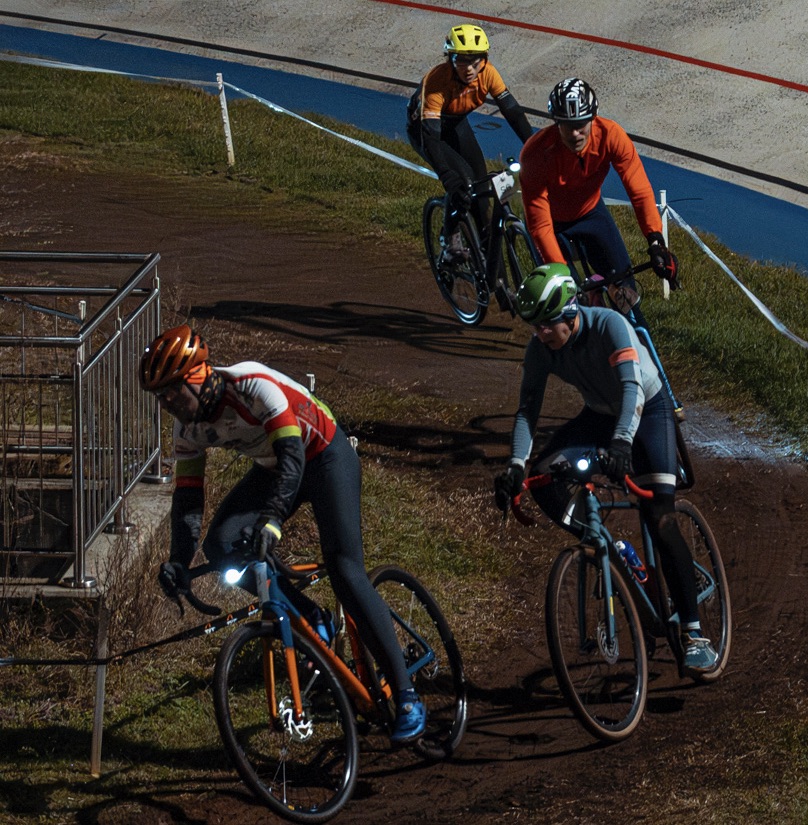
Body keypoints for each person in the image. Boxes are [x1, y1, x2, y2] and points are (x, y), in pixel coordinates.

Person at [141, 325, 426, 744]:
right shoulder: (188, 430)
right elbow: (188, 500)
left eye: (171, 392)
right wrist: (179, 561)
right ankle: (311, 618)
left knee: (346, 571)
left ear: (198, 377)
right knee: (221, 548)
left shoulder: (253, 384)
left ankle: (406, 695)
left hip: (324, 456)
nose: (166, 403)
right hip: (275, 468)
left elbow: (293, 456)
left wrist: (273, 519)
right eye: (159, 397)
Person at [492, 266, 718, 673]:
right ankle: (606, 547)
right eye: (534, 325)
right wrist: (514, 465)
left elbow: (632, 387)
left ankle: (694, 632)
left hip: (647, 411)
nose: (540, 334)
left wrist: (621, 443)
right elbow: (528, 410)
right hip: (598, 414)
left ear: (570, 313)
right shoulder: (540, 348)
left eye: (546, 324)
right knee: (543, 476)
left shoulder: (609, 325)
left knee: (661, 518)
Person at [519, 77, 678, 327]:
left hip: (591, 211)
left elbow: (639, 191)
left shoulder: (611, 135)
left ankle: (638, 341)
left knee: (626, 290)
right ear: (555, 123)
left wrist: (656, 241)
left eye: (581, 124)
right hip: (552, 223)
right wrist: (563, 278)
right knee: (565, 310)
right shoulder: (535, 154)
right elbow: (540, 226)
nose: (575, 133)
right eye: (567, 125)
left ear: (593, 118)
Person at [406, 23, 536, 261]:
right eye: (461, 60)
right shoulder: (437, 81)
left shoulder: (488, 73)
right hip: (426, 132)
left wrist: (535, 148)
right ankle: (449, 236)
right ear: (450, 59)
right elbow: (432, 138)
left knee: (482, 185)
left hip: (455, 124)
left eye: (475, 61)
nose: (469, 68)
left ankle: (488, 253)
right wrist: (447, 174)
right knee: (463, 182)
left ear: (484, 60)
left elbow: (513, 113)